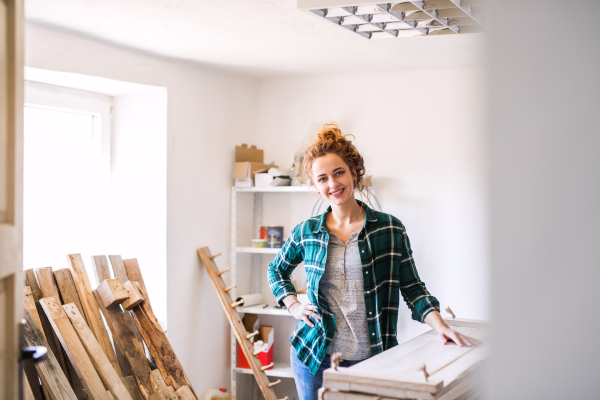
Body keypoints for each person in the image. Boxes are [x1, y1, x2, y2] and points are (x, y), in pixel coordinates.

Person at [267, 123, 477, 400]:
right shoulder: (307, 231)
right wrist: (293, 305)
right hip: (313, 355)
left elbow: (412, 287)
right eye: (322, 179)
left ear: (354, 171)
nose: (333, 184)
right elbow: (276, 270)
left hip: (374, 358)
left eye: (339, 173)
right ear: (316, 185)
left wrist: (442, 327)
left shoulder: (389, 229)